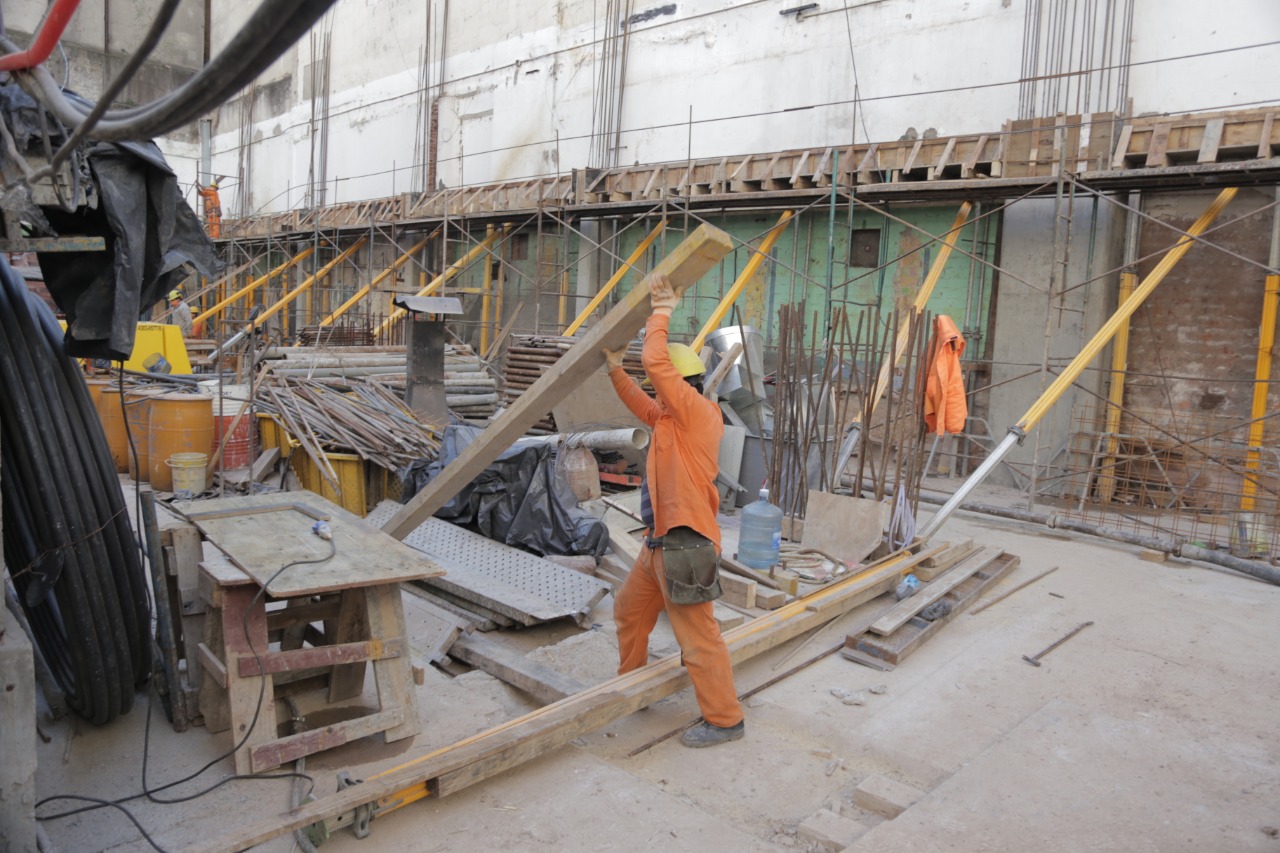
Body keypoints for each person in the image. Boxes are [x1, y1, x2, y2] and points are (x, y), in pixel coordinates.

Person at [602, 273, 744, 748]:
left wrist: (661, 311)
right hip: (658, 542)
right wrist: (614, 371)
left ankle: (725, 720)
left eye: (663, 386)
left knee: (699, 638)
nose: (656, 392)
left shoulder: (698, 414)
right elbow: (639, 399)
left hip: (686, 544)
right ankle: (633, 688)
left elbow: (655, 360)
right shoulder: (668, 418)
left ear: (682, 384)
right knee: (629, 611)